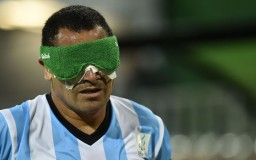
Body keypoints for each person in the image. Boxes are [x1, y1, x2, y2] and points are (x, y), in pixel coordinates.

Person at [0, 5, 172, 160]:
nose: (91, 76)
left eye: (101, 58)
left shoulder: (147, 126)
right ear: (47, 68)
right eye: (73, 63)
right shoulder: (9, 130)